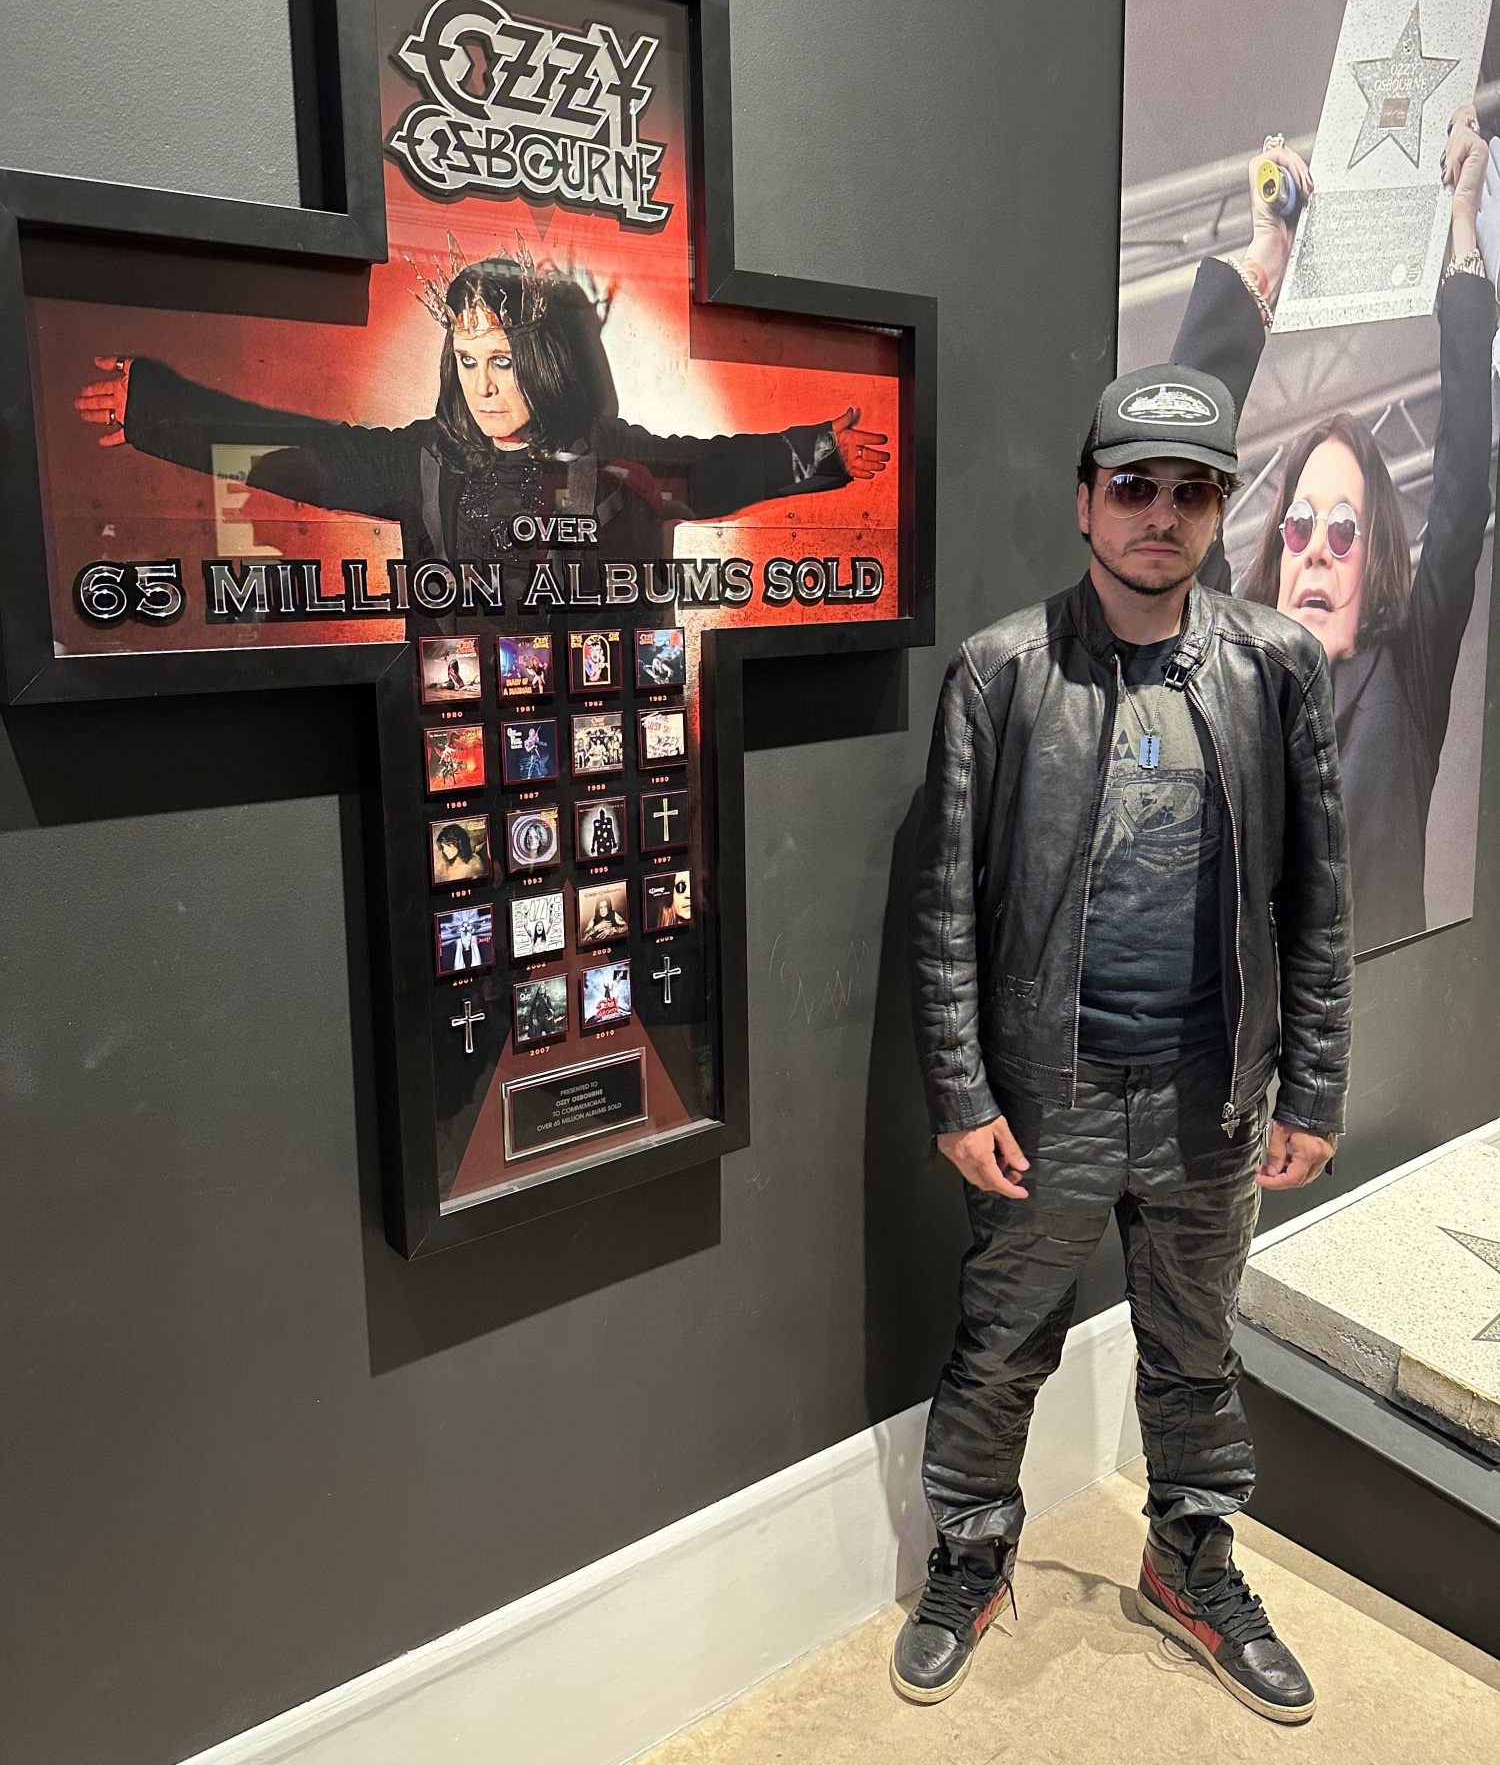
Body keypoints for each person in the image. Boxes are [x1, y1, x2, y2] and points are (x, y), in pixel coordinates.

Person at [897, 361, 1352, 1722]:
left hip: (1216, 1090)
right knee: (1002, 1344)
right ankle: (970, 1555)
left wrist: (1314, 1087)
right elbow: (945, 907)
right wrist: (961, 1090)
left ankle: (1189, 1563)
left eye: (1192, 491)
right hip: (1050, 1096)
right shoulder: (1001, 672)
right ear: (1086, 501)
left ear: (1219, 510)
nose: (1163, 513)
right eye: (1136, 486)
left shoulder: (1276, 665)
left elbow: (1319, 900)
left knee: (1197, 1349)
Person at [73, 246, 889, 577]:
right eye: (467, 362)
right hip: (461, 749)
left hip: (601, 730)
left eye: (502, 361)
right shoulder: (424, 458)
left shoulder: (606, 452)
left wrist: (816, 452)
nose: (484, 387)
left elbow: (708, 470)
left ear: (541, 362)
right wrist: (156, 410)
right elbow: (300, 454)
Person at [1178, 110, 1496, 950]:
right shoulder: (1232, 670)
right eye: (1298, 524)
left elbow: (1461, 492)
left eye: (1346, 530)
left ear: (1375, 561)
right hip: (1242, 1021)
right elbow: (1178, 461)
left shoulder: (1408, 668)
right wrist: (1265, 257)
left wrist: (1463, 223)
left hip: (1379, 1015)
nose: (1317, 544)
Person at [433, 820, 486, 884]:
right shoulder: (445, 867)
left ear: (459, 843)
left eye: (449, 845)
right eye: (443, 847)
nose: (444, 850)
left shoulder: (475, 863)